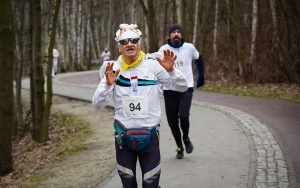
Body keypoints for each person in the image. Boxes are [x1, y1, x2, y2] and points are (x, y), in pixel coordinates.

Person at [92, 23, 188, 188]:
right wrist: (107, 85)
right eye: (124, 42)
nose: (129, 44)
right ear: (120, 48)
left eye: (133, 40)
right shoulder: (113, 68)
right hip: (123, 138)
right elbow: (97, 104)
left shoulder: (153, 64)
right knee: (128, 185)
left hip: (150, 137)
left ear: (139, 44)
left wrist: (172, 71)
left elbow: (182, 87)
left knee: (150, 185)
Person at [158, 23, 205, 159]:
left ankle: (186, 138)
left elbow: (199, 60)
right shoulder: (163, 49)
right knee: (172, 122)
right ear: (169, 35)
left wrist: (200, 78)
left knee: (184, 116)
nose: (176, 34)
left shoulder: (189, 48)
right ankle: (179, 146)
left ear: (182, 35)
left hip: (186, 88)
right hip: (169, 89)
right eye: (173, 32)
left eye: (178, 31)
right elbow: (157, 68)